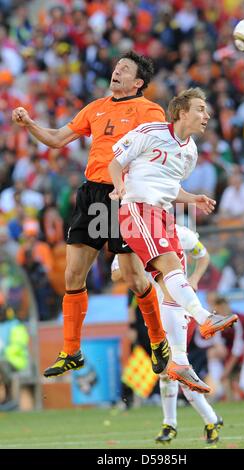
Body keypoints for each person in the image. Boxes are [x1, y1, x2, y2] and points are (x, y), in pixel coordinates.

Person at [12, 51, 171, 378]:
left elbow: (161, 153)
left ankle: (158, 339)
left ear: (138, 82)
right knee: (72, 275)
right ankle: (71, 351)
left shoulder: (148, 111)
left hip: (123, 197)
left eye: (124, 69)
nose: (116, 72)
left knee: (134, 278)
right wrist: (29, 124)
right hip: (92, 195)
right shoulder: (96, 108)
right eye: (116, 67)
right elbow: (57, 139)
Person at [109, 87, 238, 387]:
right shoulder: (151, 131)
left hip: (163, 215)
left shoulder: (190, 152)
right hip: (136, 209)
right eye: (201, 109)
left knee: (171, 291)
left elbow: (170, 186)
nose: (206, 115)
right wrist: (119, 187)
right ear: (181, 112)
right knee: (172, 269)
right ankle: (205, 318)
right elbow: (116, 162)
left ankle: (179, 360)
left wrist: (192, 199)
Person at [111, 224, 224, 444]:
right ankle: (183, 422)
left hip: (177, 309)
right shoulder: (133, 238)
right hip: (153, 314)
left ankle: (190, 421)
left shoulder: (178, 233)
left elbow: (202, 255)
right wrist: (133, 262)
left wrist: (194, 279)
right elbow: (115, 274)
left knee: (176, 367)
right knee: (167, 369)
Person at [206, 294, 244, 402]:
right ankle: (219, 389)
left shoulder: (239, 320)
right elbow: (217, 340)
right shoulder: (216, 319)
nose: (221, 310)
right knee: (212, 352)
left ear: (227, 306)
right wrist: (219, 347)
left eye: (223, 307)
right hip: (232, 350)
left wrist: (227, 371)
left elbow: (239, 348)